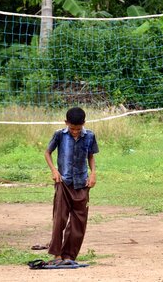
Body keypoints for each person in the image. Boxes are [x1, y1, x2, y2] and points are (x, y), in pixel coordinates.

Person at [43, 107, 98, 267]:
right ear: (66, 123)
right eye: (72, 128)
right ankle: (57, 254)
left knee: (79, 221)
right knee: (59, 218)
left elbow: (91, 156)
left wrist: (93, 174)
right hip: (64, 182)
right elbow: (47, 152)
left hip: (82, 183)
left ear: (84, 124)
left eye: (78, 129)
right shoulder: (59, 135)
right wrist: (54, 170)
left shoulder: (90, 136)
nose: (75, 132)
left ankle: (69, 255)